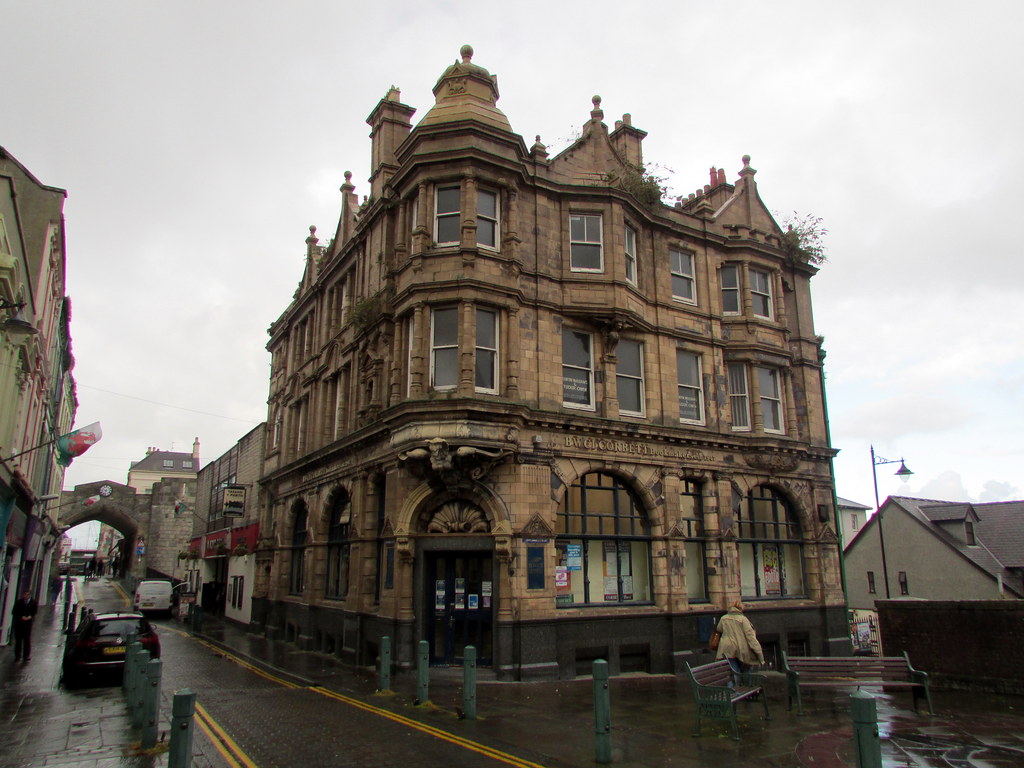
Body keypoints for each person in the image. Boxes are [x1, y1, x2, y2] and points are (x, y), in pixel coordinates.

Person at [714, 599, 765, 676]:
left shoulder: (723, 618)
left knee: (731, 673)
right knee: (746, 670)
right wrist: (760, 656)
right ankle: (747, 686)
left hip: (727, 648)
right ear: (741, 609)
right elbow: (751, 638)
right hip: (742, 650)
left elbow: (719, 629)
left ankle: (731, 687)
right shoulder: (743, 620)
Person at [11, 589, 38, 663]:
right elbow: (14, 612)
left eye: (27, 594)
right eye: (25, 594)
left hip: (27, 625)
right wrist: (21, 617)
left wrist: (30, 617)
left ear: (30, 595)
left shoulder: (33, 603)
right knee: (18, 641)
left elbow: (34, 612)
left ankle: (26, 656)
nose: (25, 596)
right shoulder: (19, 602)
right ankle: (17, 656)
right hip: (19, 624)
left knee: (27, 640)